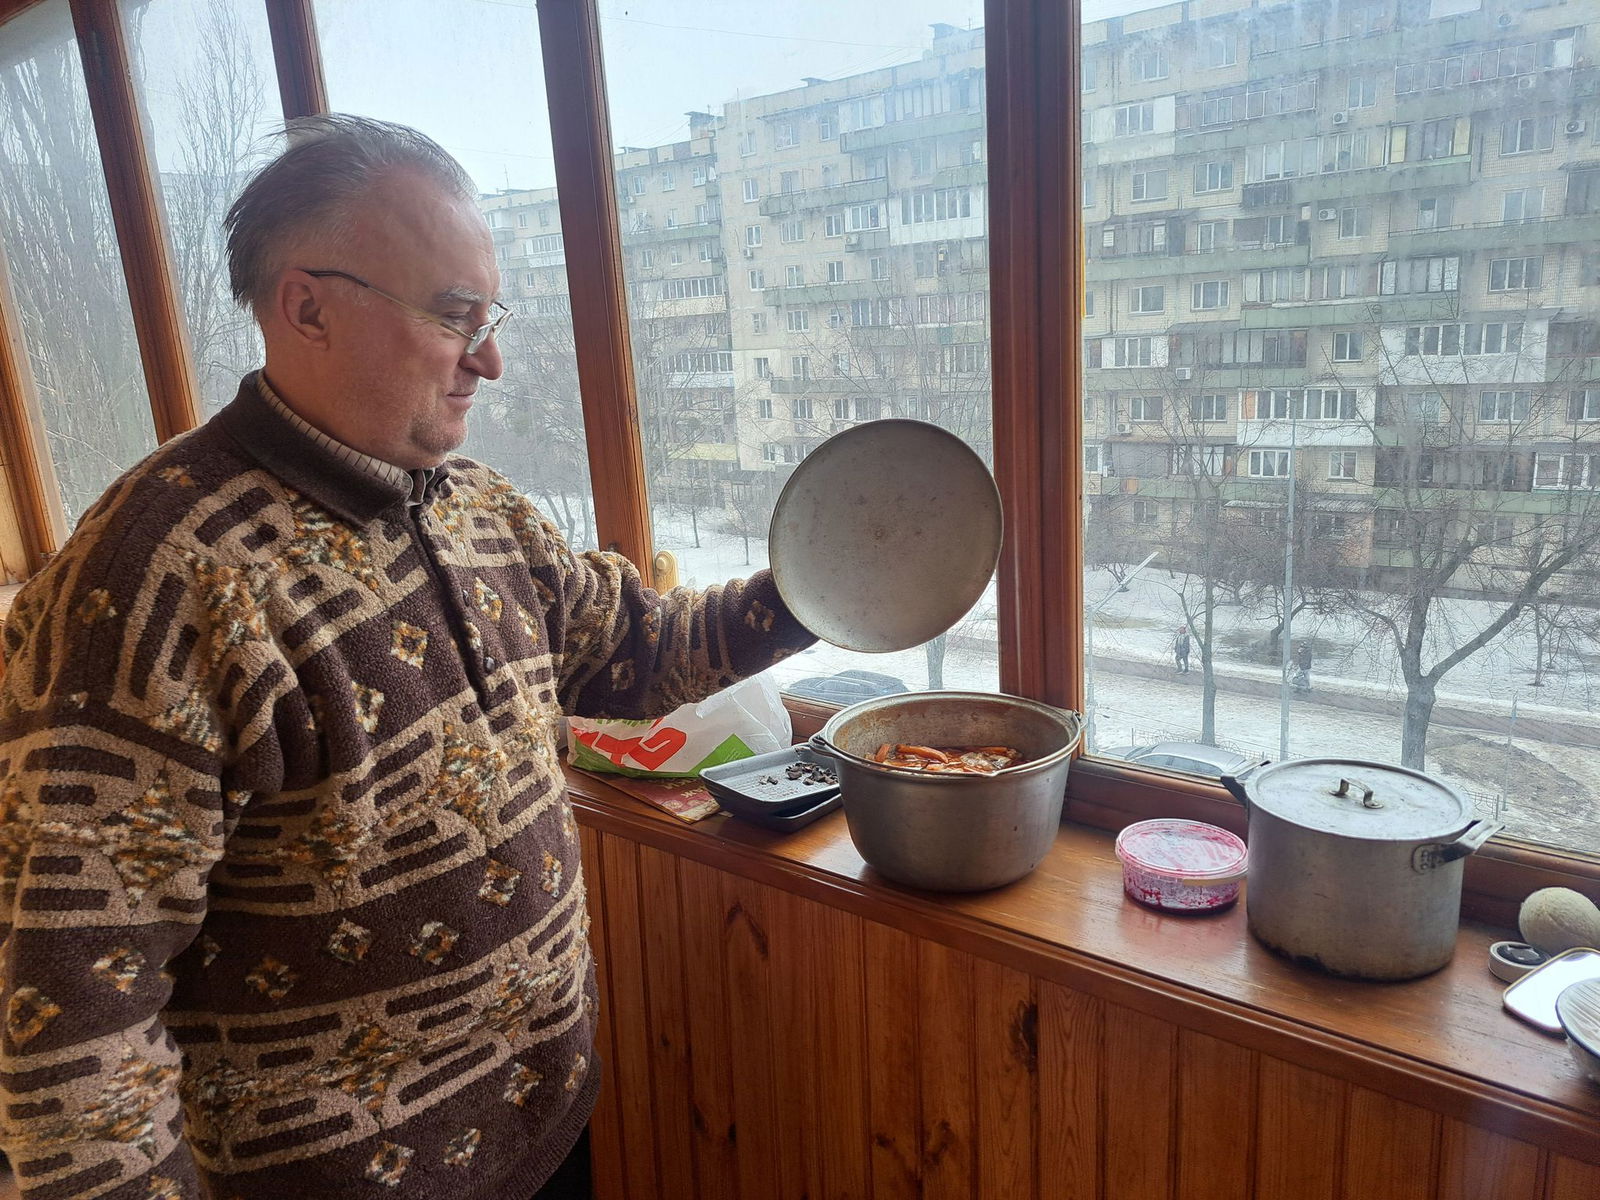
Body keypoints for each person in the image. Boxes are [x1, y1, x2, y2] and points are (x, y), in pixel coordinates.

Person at [0, 116, 816, 1200]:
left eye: (490, 314)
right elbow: (74, 1011)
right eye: (453, 315)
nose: (491, 357)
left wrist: (826, 580)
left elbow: (641, 650)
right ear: (307, 307)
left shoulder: (481, 509)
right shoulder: (161, 579)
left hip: (544, 1125)